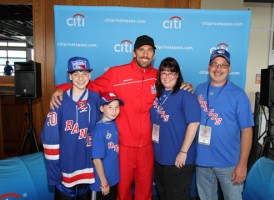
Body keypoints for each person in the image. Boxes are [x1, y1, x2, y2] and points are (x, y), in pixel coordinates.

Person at [50, 35, 192, 200]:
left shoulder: (159, 76)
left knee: (144, 192)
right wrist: (62, 88)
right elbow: (90, 86)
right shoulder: (116, 74)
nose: (145, 54)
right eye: (141, 50)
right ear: (134, 53)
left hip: (148, 147)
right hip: (123, 146)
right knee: (122, 191)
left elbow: (172, 89)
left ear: (154, 54)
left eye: (149, 51)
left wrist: (185, 86)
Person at [195, 49, 254, 200]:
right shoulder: (199, 90)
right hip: (202, 161)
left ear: (229, 69)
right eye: (215, 64)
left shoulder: (238, 95)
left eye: (223, 65)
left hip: (229, 164)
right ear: (209, 67)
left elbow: (247, 131)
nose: (218, 69)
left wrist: (242, 165)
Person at [42, 56, 101, 200]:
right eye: (76, 74)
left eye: (84, 73)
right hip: (65, 171)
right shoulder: (59, 101)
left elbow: (100, 132)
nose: (80, 78)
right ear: (69, 76)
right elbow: (50, 140)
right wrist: (54, 172)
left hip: (88, 170)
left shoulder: (96, 99)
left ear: (90, 75)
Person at [150, 57, 200, 200]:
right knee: (163, 194)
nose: (167, 77)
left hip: (178, 159)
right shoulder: (158, 96)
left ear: (177, 75)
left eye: (171, 73)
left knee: (176, 195)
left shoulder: (186, 94)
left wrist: (183, 152)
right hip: (160, 158)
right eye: (164, 73)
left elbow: (194, 123)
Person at [90, 92, 124, 200]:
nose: (114, 111)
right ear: (101, 108)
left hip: (113, 178)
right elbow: (96, 159)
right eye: (110, 107)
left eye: (117, 107)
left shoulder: (113, 123)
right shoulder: (99, 130)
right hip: (101, 183)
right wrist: (103, 182)